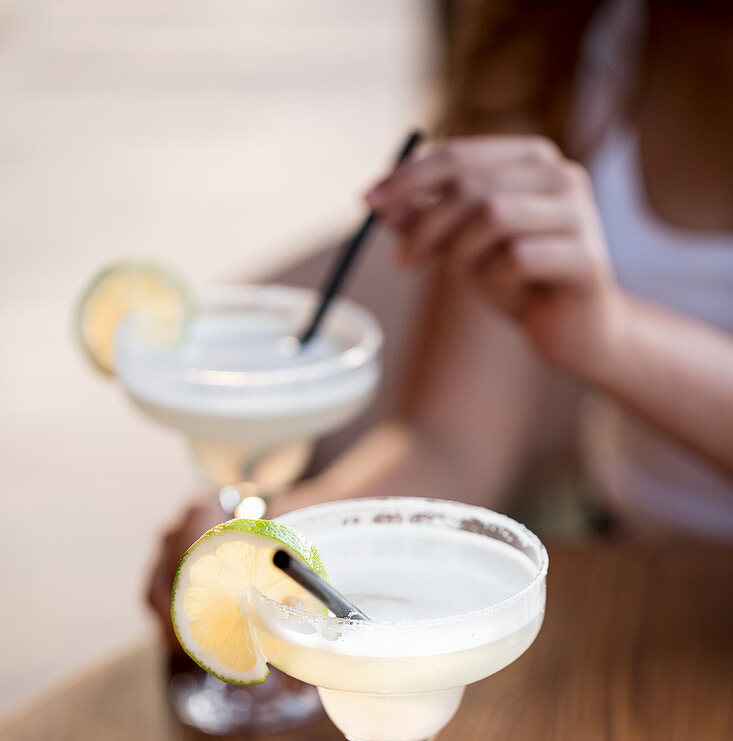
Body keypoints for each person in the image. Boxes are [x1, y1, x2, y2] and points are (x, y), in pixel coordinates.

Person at [149, 0, 733, 628]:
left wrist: (614, 340)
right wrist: (278, 539)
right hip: (636, 578)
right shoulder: (546, 46)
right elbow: (449, 446)